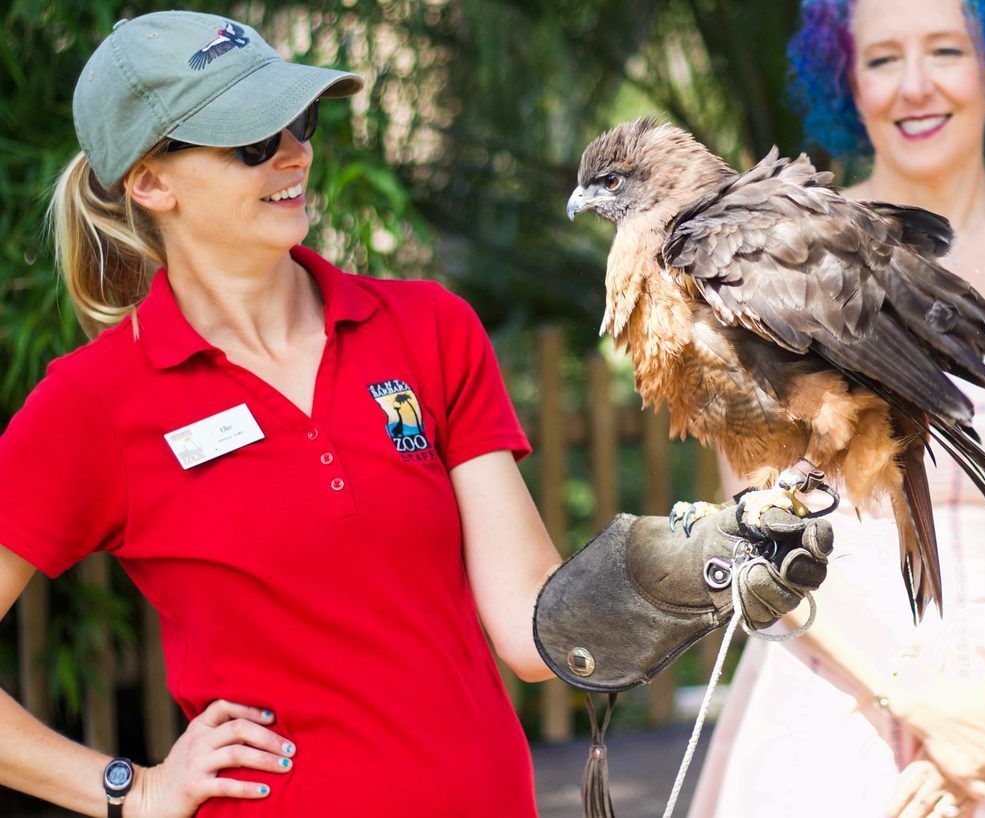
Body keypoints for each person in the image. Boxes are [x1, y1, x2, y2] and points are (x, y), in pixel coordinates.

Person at [0, 11, 829, 818]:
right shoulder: (96, 403)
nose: (294, 154)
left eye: (300, 121)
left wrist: (687, 570)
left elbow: (530, 623)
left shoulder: (427, 328)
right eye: (253, 141)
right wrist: (129, 792)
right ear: (150, 181)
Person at [688, 1, 985, 817]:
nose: (915, 86)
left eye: (947, 50)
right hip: (836, 722)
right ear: (845, 81)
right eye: (881, 60)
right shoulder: (764, 258)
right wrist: (923, 703)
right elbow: (760, 528)